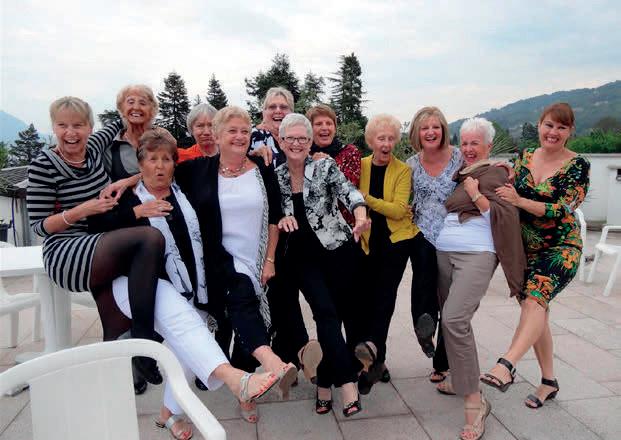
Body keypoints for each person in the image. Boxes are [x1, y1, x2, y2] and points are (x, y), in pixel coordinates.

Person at [89, 127, 281, 439]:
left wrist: (256, 154)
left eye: (166, 159)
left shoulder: (183, 191)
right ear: (140, 163)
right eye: (152, 159)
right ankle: (235, 380)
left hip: (190, 286)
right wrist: (136, 211)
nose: (159, 166)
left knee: (188, 356)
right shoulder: (125, 199)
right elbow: (99, 228)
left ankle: (167, 415)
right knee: (188, 330)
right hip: (141, 288)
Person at [26, 96, 163, 386]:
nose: (70, 133)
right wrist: (82, 210)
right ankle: (144, 340)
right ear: (53, 127)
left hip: (100, 241)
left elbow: (127, 117)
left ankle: (121, 373)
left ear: (90, 127)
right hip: (66, 250)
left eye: (78, 125)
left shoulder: (95, 145)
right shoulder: (44, 165)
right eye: (62, 126)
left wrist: (127, 180)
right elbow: (39, 227)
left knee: (114, 318)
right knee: (149, 239)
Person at [174, 106, 297, 423]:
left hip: (256, 257)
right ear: (217, 136)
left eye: (245, 131)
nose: (240, 136)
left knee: (244, 322)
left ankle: (245, 388)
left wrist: (269, 260)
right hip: (216, 260)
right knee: (241, 302)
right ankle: (272, 364)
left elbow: (273, 218)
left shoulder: (262, 167)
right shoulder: (198, 170)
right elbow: (156, 172)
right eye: (232, 131)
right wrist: (128, 183)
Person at [481, 103, 590, 410]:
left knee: (534, 301)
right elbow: (509, 186)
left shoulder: (578, 165)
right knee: (537, 311)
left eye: (561, 127)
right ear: (540, 125)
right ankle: (548, 381)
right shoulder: (526, 155)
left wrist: (520, 201)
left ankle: (506, 365)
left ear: (570, 132)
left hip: (561, 247)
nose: (553, 132)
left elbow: (563, 208)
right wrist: (502, 173)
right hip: (525, 248)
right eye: (549, 125)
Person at [436, 117, 525, 440]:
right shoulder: (462, 171)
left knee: (454, 319)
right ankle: (462, 379)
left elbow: (504, 215)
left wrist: (475, 195)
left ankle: (475, 402)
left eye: (475, 143)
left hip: (477, 253)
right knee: (455, 322)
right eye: (465, 142)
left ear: (488, 145)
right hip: (445, 252)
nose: (469, 148)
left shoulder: (496, 173)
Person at [276, 113, 371, 417]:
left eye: (303, 139)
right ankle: (347, 384)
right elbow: (270, 214)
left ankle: (324, 384)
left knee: (335, 319)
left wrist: (360, 216)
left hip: (338, 251)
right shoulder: (274, 176)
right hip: (302, 260)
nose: (297, 143)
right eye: (291, 138)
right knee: (325, 313)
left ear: (310, 142)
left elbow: (349, 192)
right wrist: (281, 219)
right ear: (281, 141)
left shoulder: (324, 166)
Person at [354, 114, 419, 395]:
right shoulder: (360, 165)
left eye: (391, 138)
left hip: (395, 243)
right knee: (364, 302)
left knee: (384, 301)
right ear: (371, 140)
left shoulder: (403, 170)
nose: (386, 143)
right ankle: (375, 361)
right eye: (381, 138)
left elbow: (398, 210)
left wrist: (364, 198)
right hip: (365, 242)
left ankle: (372, 363)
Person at [405, 106, 459, 384]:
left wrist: (504, 167)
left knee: (449, 300)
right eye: (425, 127)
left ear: (443, 130)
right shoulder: (411, 164)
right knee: (423, 285)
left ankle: (443, 361)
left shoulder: (459, 157)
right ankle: (424, 328)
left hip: (454, 235)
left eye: (435, 127)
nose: (430, 132)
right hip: (422, 232)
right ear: (417, 132)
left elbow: (483, 168)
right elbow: (401, 195)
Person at [308, 103, 362, 225]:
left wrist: (326, 164)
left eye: (329, 123)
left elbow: (345, 190)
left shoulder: (349, 152)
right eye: (318, 124)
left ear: (335, 128)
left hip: (341, 225)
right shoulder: (303, 155)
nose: (324, 127)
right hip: (311, 224)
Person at [104, 84, 159, 182]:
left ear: (152, 109)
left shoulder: (164, 140)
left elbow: (171, 174)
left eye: (142, 103)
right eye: (131, 102)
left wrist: (128, 182)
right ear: (121, 108)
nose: (136, 107)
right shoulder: (111, 149)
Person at [248, 86, 294, 167]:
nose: (278, 111)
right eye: (272, 107)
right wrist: (252, 156)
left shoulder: (299, 137)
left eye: (283, 107)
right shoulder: (252, 136)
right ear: (264, 112)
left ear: (292, 113)